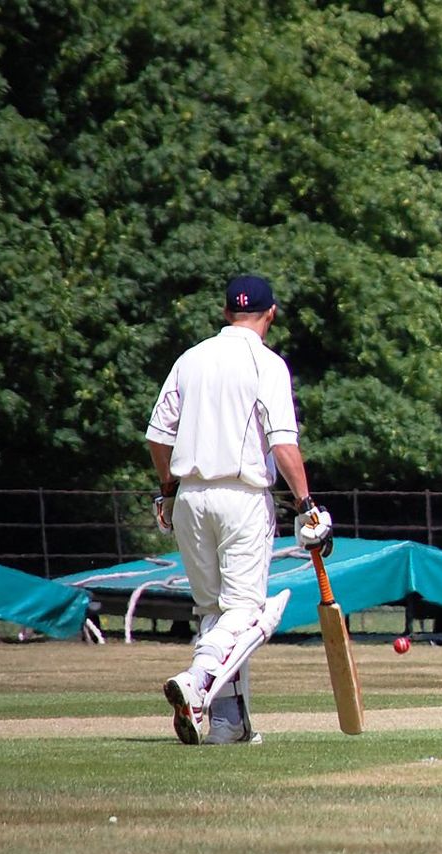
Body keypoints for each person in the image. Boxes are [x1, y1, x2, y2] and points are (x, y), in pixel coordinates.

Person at [146, 275, 333, 745]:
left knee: (216, 612)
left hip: (189, 497)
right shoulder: (266, 363)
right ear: (271, 314)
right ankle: (197, 678)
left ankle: (229, 724)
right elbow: (283, 443)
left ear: (227, 312)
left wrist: (168, 490)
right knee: (247, 613)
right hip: (242, 497)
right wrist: (307, 504)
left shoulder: (191, 358)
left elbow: (157, 435)